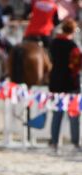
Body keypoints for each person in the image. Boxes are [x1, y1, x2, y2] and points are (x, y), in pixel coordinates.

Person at [48, 18, 81, 152]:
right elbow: (76, 65)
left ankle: (54, 142)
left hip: (55, 82)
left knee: (57, 114)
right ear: (73, 31)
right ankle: (75, 143)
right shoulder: (73, 46)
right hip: (70, 83)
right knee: (73, 115)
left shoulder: (53, 43)